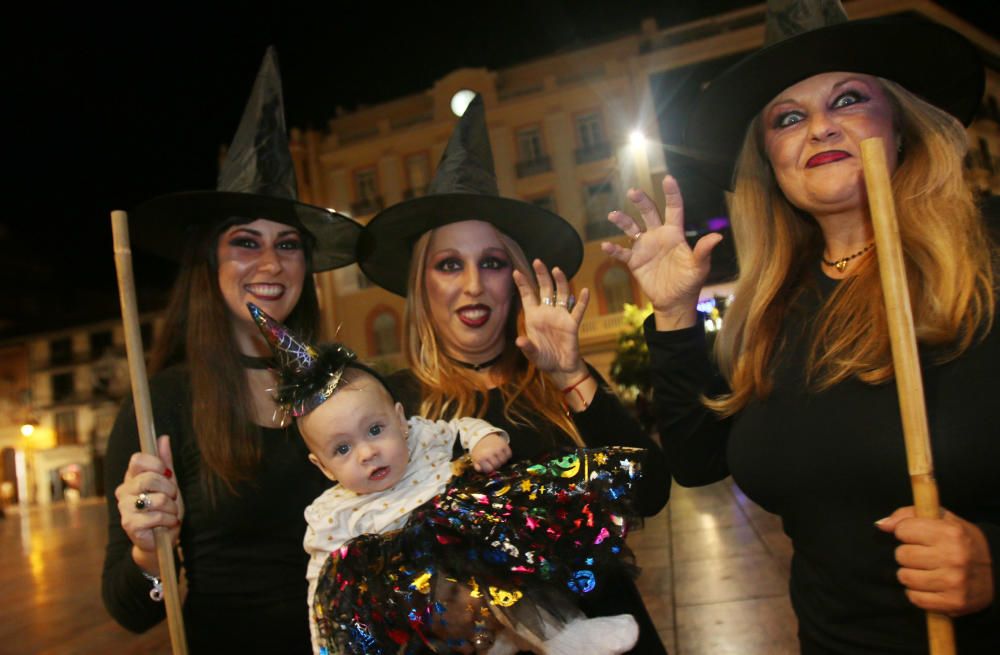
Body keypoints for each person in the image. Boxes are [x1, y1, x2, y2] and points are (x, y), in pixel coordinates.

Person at [601, 1, 998, 652]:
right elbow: (699, 461)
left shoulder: (989, 256)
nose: (820, 128)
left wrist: (993, 559)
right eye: (790, 117)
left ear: (899, 124)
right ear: (770, 161)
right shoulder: (772, 306)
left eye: (848, 99)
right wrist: (673, 318)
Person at [357, 94, 670, 655]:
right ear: (422, 285)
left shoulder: (557, 379)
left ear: (516, 278)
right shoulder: (391, 408)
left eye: (493, 263)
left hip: (608, 634)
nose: (473, 285)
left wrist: (571, 372)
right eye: (450, 264)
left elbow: (649, 492)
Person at [100, 48, 362, 653]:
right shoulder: (159, 403)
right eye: (246, 241)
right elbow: (128, 611)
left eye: (289, 245)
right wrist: (146, 547)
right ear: (209, 264)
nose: (270, 264)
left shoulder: (349, 386)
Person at [247, 302, 643, 655]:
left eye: (374, 431)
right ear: (322, 467)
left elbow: (460, 428)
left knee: (506, 564)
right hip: (423, 607)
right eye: (342, 449)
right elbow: (322, 588)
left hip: (470, 551)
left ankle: (565, 636)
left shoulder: (421, 437)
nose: (367, 452)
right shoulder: (332, 513)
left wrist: (486, 438)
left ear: (401, 421)